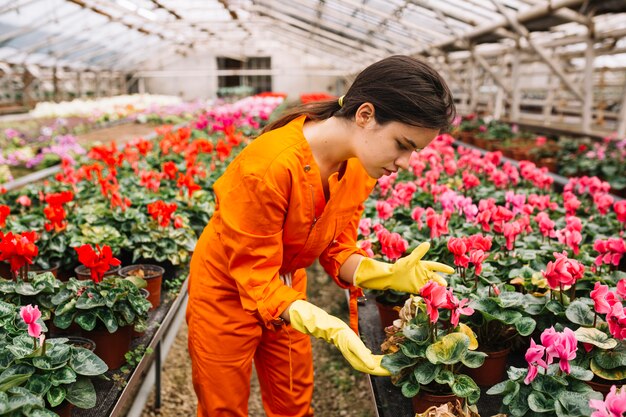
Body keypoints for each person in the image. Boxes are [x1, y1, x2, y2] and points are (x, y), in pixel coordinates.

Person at [187, 55, 456, 417]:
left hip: (286, 282)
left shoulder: (361, 166)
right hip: (227, 287)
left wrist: (388, 273)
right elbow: (254, 274)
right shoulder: (268, 166)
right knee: (222, 404)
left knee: (293, 399)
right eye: (403, 144)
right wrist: (329, 326)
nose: (406, 162)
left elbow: (337, 248)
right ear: (365, 115)